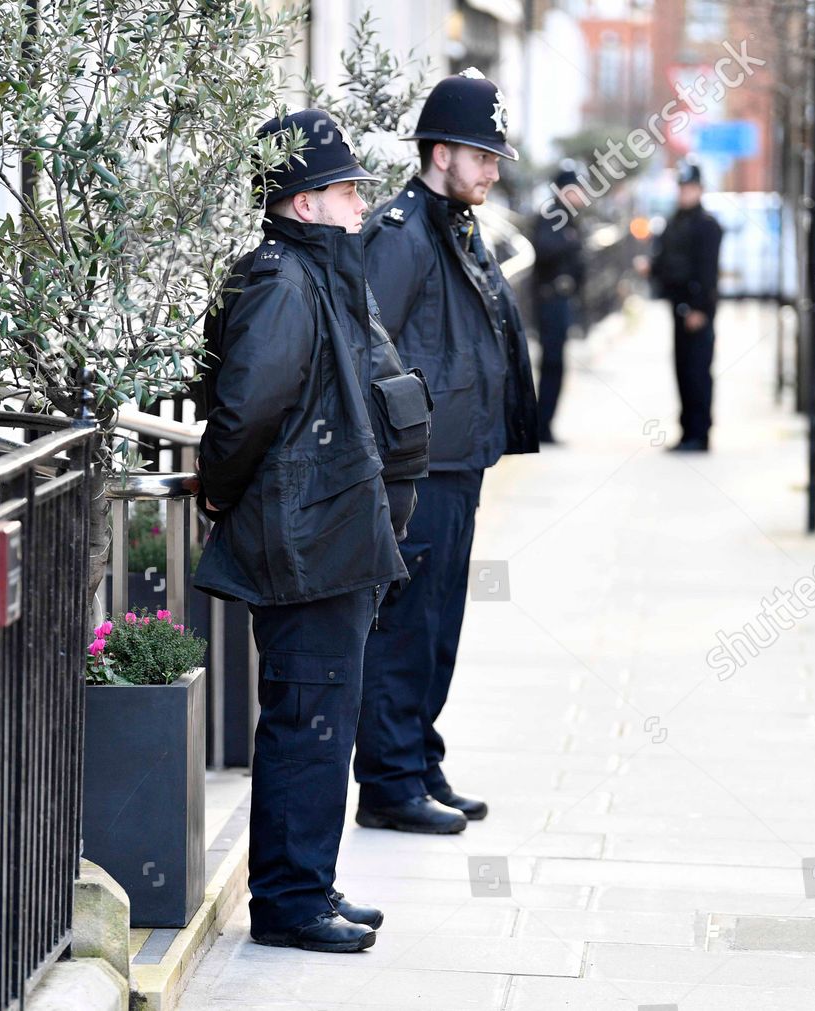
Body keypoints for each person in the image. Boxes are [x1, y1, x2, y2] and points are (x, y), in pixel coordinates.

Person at [194, 109, 430, 953]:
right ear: (301, 202)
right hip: (305, 537)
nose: (361, 202)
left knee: (324, 716)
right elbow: (248, 405)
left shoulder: (321, 270)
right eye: (344, 189)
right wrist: (217, 492)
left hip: (333, 530)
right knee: (306, 717)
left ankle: (309, 880)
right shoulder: (280, 281)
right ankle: (290, 902)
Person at [353, 69, 540, 835]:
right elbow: (368, 342)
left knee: (438, 622)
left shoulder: (458, 222)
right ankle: (391, 783)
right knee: (406, 624)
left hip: (458, 459)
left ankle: (419, 760)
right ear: (439, 151)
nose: (494, 169)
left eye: (496, 156)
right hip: (418, 465)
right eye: (482, 154)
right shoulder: (401, 232)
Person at [649, 160, 722, 452]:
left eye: (689, 187)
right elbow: (667, 259)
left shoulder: (707, 225)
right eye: (682, 187)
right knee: (682, 369)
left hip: (697, 310)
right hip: (678, 306)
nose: (684, 193)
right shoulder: (676, 220)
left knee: (697, 372)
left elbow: (707, 272)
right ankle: (687, 430)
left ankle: (699, 433)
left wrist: (700, 308)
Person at [530, 162, 589, 444]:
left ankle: (546, 423)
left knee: (557, 364)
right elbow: (545, 250)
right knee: (552, 363)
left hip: (562, 300)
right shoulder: (552, 216)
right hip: (550, 300)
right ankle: (542, 425)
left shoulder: (569, 218)